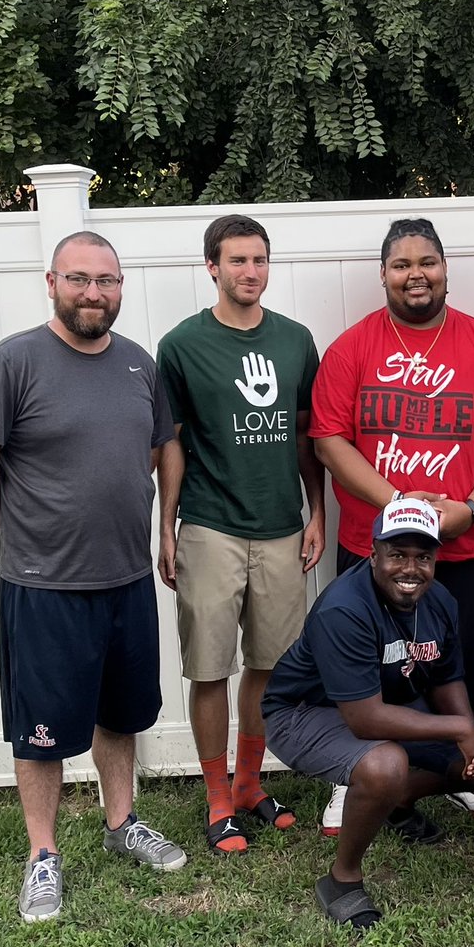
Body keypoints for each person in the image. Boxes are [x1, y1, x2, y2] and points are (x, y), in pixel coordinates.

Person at [0, 232, 187, 924]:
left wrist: (163, 526)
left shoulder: (137, 365)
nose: (94, 293)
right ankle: (42, 854)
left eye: (108, 281)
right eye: (80, 279)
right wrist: (22, 527)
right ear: (52, 281)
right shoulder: (12, 362)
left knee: (118, 714)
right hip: (44, 584)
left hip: (124, 578)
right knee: (42, 730)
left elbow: (161, 447)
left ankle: (121, 821)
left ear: (122, 287)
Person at [310, 217, 474, 823]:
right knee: (367, 664)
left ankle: (464, 763)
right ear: (383, 274)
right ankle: (353, 771)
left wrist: (472, 508)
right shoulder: (352, 347)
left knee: (468, 658)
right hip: (373, 545)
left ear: (445, 270)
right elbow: (329, 438)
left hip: (468, 540)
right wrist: (396, 506)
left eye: (427, 262)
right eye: (402, 264)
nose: (416, 274)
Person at [262, 498, 474, 930]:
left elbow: (445, 677)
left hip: (389, 704)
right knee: (384, 764)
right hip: (304, 712)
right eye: (397, 555)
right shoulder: (345, 608)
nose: (410, 569)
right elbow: (365, 721)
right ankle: (342, 880)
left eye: (423, 557)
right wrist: (458, 725)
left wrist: (470, 736)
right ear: (374, 552)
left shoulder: (440, 601)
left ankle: (399, 800)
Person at [156, 214, 325, 854]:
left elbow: (309, 438)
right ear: (212, 268)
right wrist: (167, 527)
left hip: (282, 527)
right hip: (209, 525)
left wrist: (319, 511)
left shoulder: (294, 341)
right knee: (209, 667)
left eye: (259, 260)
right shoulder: (181, 346)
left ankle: (251, 783)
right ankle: (216, 795)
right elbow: (170, 445)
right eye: (237, 261)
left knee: (269, 664)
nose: (250, 272)